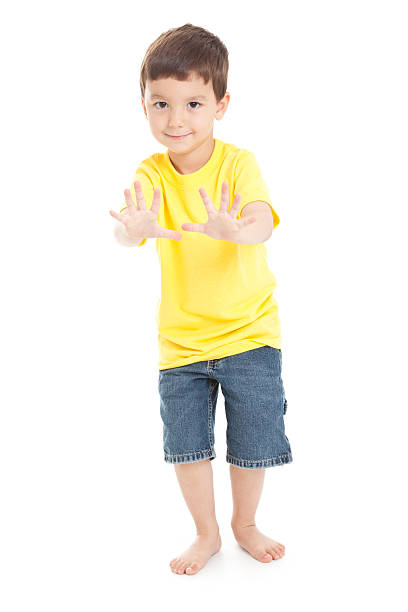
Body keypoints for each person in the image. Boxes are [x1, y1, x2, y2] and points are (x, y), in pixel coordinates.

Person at [109, 23, 293, 576]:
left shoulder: (238, 164)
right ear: (143, 105)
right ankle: (206, 532)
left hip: (249, 333)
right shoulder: (152, 173)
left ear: (221, 104)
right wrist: (132, 228)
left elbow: (261, 221)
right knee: (187, 447)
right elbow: (129, 230)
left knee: (253, 442)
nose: (175, 119)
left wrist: (237, 230)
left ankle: (245, 523)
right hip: (182, 341)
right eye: (160, 103)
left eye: (193, 102)